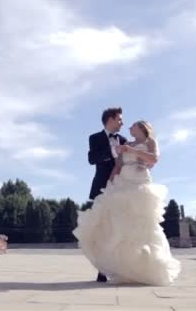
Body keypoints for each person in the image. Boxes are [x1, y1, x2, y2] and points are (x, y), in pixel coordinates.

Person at [73, 120, 181, 285]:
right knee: (120, 223)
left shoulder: (149, 141)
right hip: (123, 180)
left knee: (143, 222)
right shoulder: (127, 143)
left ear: (141, 128)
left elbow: (154, 159)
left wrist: (131, 151)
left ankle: (149, 266)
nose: (128, 127)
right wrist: (110, 182)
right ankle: (124, 267)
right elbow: (118, 165)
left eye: (133, 125)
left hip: (140, 181)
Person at [85, 107, 127, 282]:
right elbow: (92, 159)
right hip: (101, 188)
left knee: (120, 229)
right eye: (119, 119)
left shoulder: (124, 140)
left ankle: (122, 267)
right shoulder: (94, 138)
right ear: (110, 119)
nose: (122, 122)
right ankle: (102, 270)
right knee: (103, 229)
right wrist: (113, 152)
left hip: (121, 188)